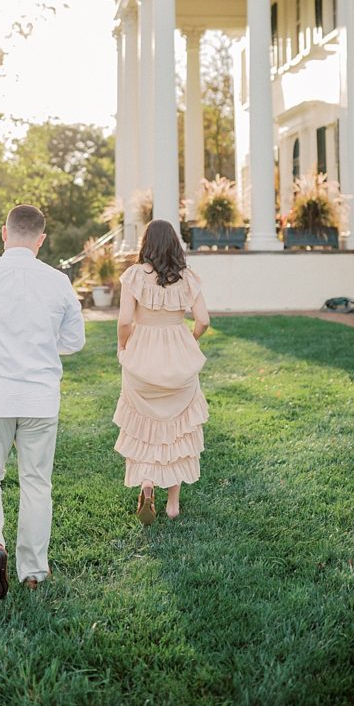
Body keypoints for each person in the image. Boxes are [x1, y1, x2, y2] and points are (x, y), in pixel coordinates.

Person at [0, 204, 85, 600]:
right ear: (41, 240)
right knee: (37, 483)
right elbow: (75, 341)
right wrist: (40, 344)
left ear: (4, 234)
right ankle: (34, 572)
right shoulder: (58, 282)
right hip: (40, 397)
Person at [114, 218, 210, 524]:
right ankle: (172, 504)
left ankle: (146, 483)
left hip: (143, 354)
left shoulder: (133, 276)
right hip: (177, 352)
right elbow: (204, 321)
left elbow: (125, 321)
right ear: (175, 245)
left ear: (146, 244)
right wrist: (188, 340)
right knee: (177, 427)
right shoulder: (188, 278)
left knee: (143, 424)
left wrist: (123, 347)